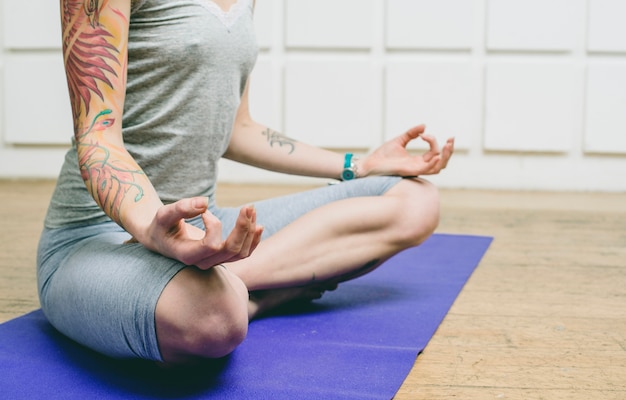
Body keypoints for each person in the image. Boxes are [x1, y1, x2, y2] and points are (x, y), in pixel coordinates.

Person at [38, 0, 454, 365]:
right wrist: (152, 228)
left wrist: (358, 166)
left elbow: (238, 129)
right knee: (213, 320)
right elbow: (97, 137)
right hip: (98, 237)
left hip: (205, 225)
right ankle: (262, 291)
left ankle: (236, 283)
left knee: (414, 200)